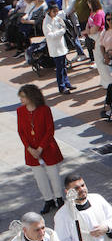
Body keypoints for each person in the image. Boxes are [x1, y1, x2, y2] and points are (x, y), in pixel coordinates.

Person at [15, 85, 65, 213]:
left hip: (47, 148)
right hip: (31, 151)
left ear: (31, 96)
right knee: (40, 178)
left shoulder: (44, 110)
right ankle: (48, 200)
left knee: (54, 175)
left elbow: (49, 130)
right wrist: (29, 148)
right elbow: (21, 131)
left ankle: (59, 198)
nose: (21, 99)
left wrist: (40, 148)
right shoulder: (20, 111)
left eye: (23, 97)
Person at [41, 2, 72, 94]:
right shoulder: (46, 22)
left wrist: (62, 29)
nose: (56, 13)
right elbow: (49, 35)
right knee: (59, 69)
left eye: (57, 11)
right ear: (49, 11)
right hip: (55, 48)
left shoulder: (57, 18)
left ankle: (67, 83)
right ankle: (61, 86)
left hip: (61, 46)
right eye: (54, 11)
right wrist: (61, 32)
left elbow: (63, 25)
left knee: (64, 66)